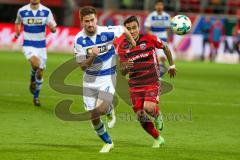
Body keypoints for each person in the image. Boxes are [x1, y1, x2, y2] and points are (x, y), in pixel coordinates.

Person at [74, 6, 135, 153]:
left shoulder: (107, 32)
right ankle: (108, 142)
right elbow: (82, 66)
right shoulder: (79, 40)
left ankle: (107, 109)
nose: (90, 24)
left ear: (96, 19)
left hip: (108, 76)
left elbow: (124, 29)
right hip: (90, 79)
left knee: (100, 109)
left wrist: (132, 43)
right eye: (86, 21)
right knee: (93, 116)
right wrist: (92, 56)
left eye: (92, 20)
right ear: (81, 22)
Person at [114, 16, 176, 148]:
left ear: (138, 27)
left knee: (148, 108)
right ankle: (158, 138)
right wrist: (127, 66)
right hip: (135, 85)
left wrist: (172, 66)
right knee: (140, 115)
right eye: (129, 29)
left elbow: (165, 47)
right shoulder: (122, 46)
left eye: (134, 28)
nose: (132, 31)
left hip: (151, 80)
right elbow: (122, 72)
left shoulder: (149, 38)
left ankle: (157, 114)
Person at [15, 0, 57, 106]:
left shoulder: (46, 11)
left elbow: (53, 28)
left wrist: (52, 28)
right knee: (35, 63)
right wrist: (17, 32)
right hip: (28, 45)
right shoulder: (22, 11)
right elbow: (17, 22)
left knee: (40, 73)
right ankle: (32, 79)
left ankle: (36, 96)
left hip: (41, 47)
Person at [144, 0, 171, 78]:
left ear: (163, 6)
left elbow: (168, 28)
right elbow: (147, 28)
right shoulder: (151, 16)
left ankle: (159, 75)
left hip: (163, 38)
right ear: (155, 6)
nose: (159, 6)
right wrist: (150, 37)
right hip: (154, 39)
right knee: (155, 57)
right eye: (158, 5)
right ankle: (156, 74)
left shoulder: (167, 16)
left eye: (161, 5)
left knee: (162, 58)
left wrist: (168, 38)